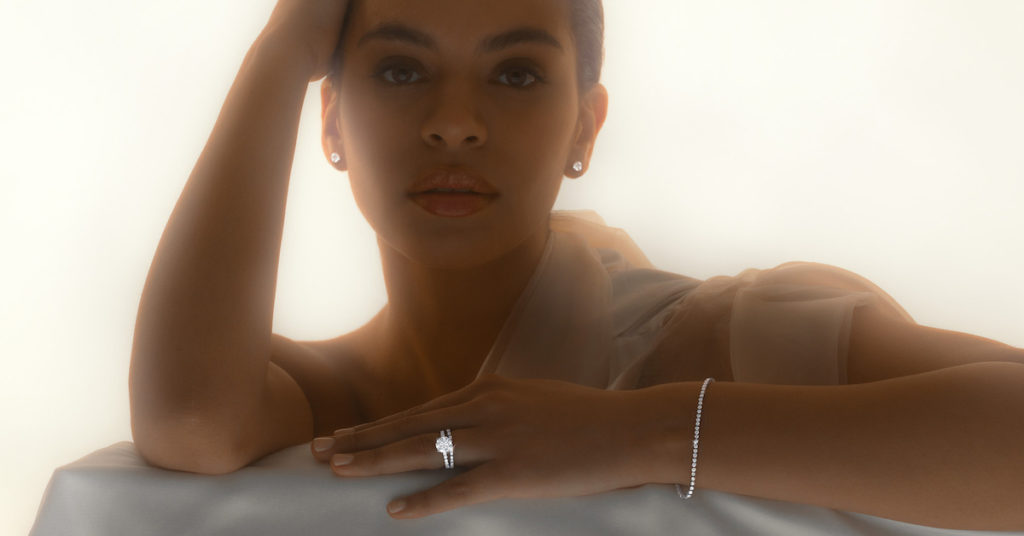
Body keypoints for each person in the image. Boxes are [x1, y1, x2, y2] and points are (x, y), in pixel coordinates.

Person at [128, 0, 1024, 531]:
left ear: (584, 130)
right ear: (329, 124)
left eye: (515, 74)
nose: (455, 122)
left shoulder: (723, 335)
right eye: (400, 70)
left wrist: (637, 433)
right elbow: (191, 419)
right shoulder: (323, 394)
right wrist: (283, 46)